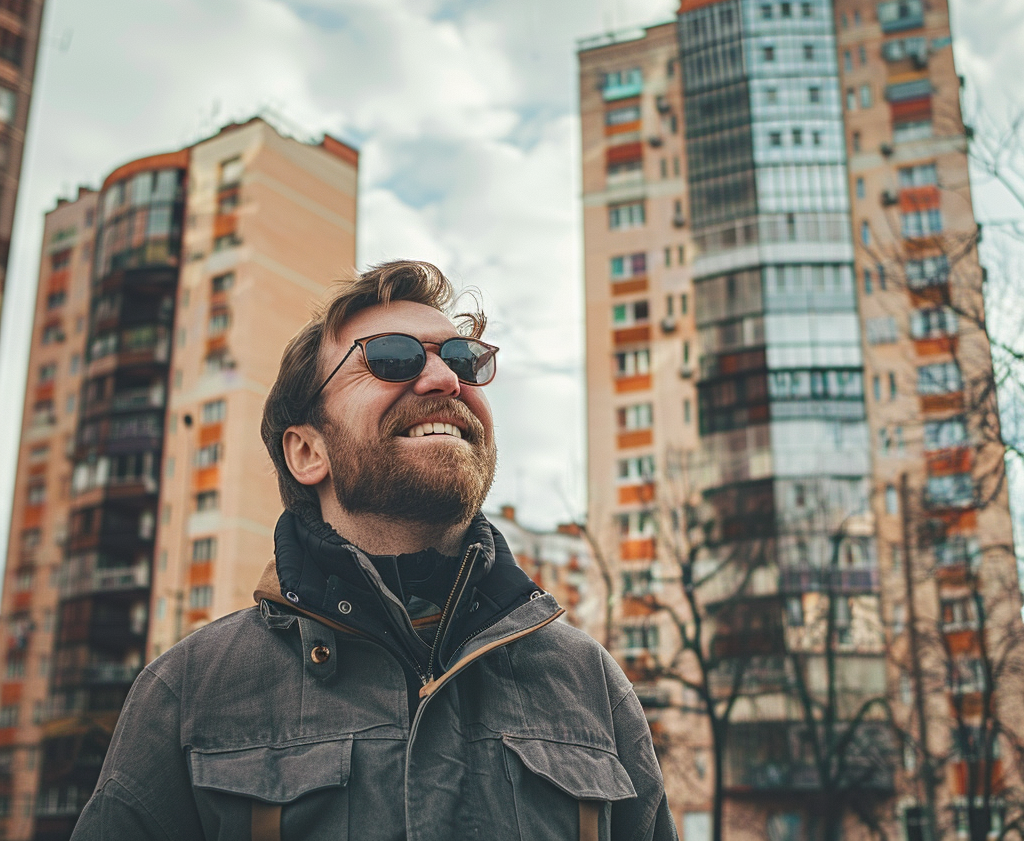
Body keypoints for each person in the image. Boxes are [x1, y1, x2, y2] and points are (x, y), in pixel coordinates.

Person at [71, 260, 676, 841]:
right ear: (308, 452)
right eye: (391, 358)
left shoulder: (590, 682)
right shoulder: (191, 692)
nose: (445, 380)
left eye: (462, 359)